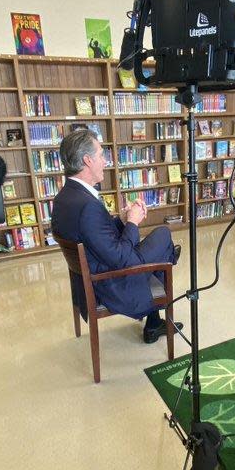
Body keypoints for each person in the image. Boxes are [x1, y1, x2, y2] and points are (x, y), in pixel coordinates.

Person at [51, 129, 181, 343]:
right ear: (87, 160)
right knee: (164, 235)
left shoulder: (65, 198)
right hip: (109, 282)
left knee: (160, 248)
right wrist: (132, 222)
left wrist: (121, 219)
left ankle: (155, 318)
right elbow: (121, 259)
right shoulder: (88, 205)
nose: (105, 161)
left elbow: (94, 235)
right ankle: (157, 309)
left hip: (88, 278)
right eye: (101, 155)